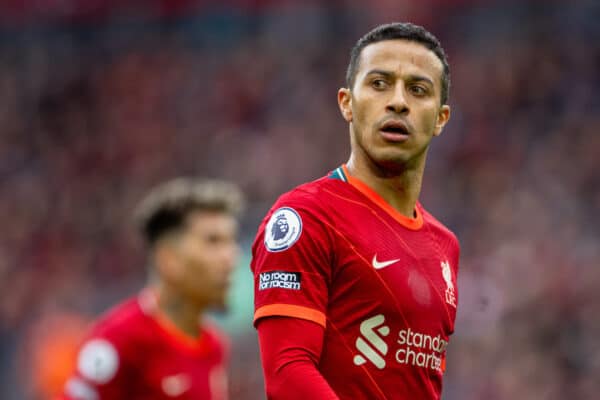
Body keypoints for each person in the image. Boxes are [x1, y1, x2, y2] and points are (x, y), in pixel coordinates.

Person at [251, 22, 459, 399]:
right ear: (347, 103)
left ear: (441, 118)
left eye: (418, 89)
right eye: (379, 84)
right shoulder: (306, 216)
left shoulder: (445, 246)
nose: (398, 101)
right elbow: (287, 375)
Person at [61, 178, 244, 400]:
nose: (231, 257)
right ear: (168, 259)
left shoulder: (214, 346)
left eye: (231, 241)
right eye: (213, 242)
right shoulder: (118, 341)